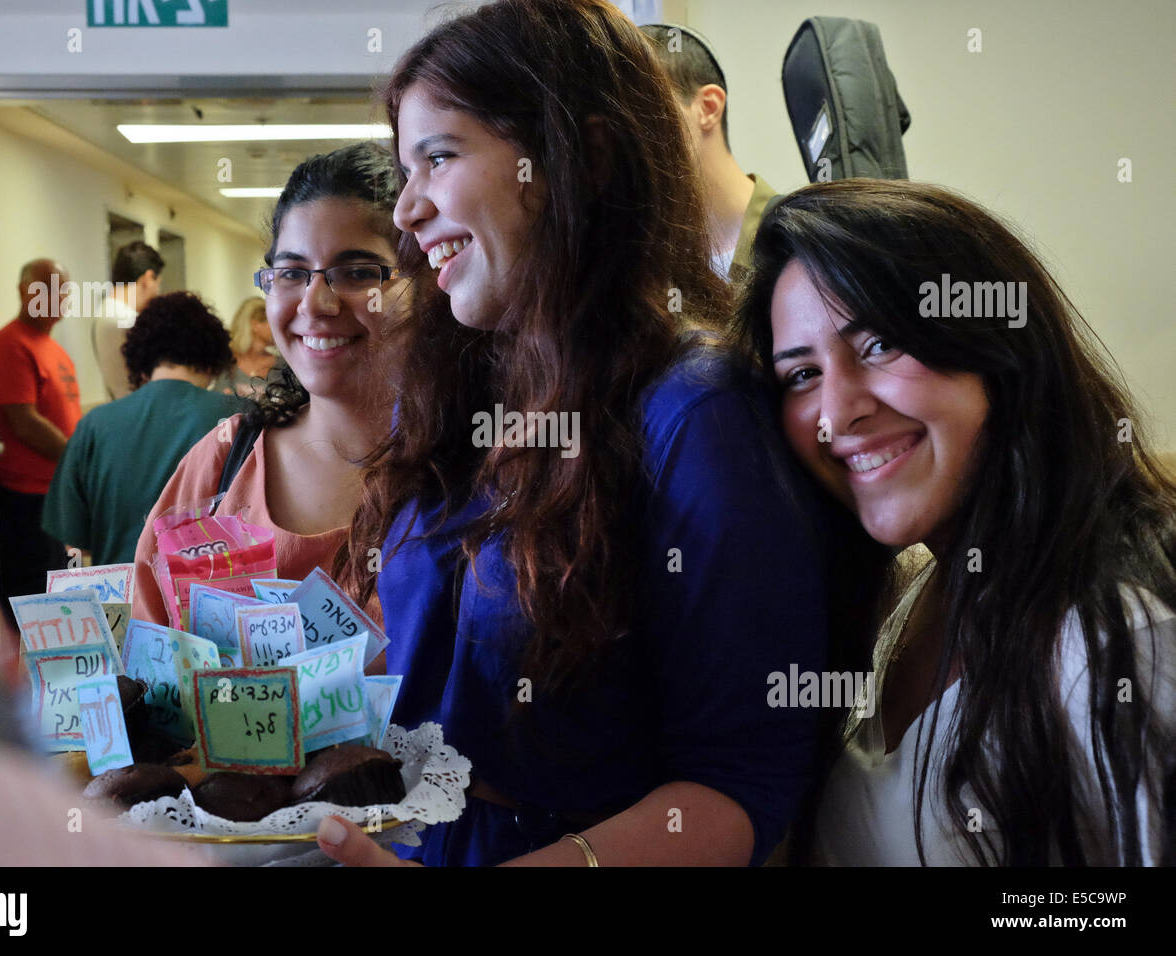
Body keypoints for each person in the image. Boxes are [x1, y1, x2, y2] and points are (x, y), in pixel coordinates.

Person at [318, 0, 829, 868]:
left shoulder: (696, 412)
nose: (404, 210)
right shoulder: (450, 398)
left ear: (579, 159)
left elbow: (741, 787)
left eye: (438, 157)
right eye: (403, 169)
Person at [732, 178, 1176, 865]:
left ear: (997, 349)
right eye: (802, 375)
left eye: (878, 344)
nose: (837, 412)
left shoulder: (1124, 642)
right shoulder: (904, 598)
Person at [0, 37, 202, 868]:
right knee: (45, 617)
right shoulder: (10, 345)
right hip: (22, 491)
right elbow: (25, 420)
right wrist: (74, 451)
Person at [130, 142, 408, 628]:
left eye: (359, 272)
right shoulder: (222, 464)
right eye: (292, 273)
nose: (315, 302)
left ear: (427, 284)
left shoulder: (474, 477)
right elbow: (149, 652)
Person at [42, 291, 249, 566]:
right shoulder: (240, 417)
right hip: (213, 599)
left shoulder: (94, 425)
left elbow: (77, 545)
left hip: (120, 601)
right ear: (212, 359)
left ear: (140, 362)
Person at [640, 22, 779, 283]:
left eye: (644, 109)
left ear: (708, 108)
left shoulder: (795, 244)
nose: (630, 134)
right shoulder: (644, 260)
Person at [0, 257, 82, 631]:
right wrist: (77, 463)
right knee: (31, 605)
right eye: (43, 289)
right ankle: (23, 688)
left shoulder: (53, 349)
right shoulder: (9, 344)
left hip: (54, 496)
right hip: (26, 502)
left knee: (57, 598)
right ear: (23, 292)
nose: (54, 298)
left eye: (60, 290)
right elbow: (24, 422)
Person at [93, 239, 164, 400]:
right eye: (158, 285)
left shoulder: (104, 313)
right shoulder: (128, 320)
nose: (157, 292)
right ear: (148, 278)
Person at [215, 295, 280, 397]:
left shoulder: (283, 365)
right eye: (272, 321)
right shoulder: (225, 361)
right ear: (255, 324)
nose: (279, 328)